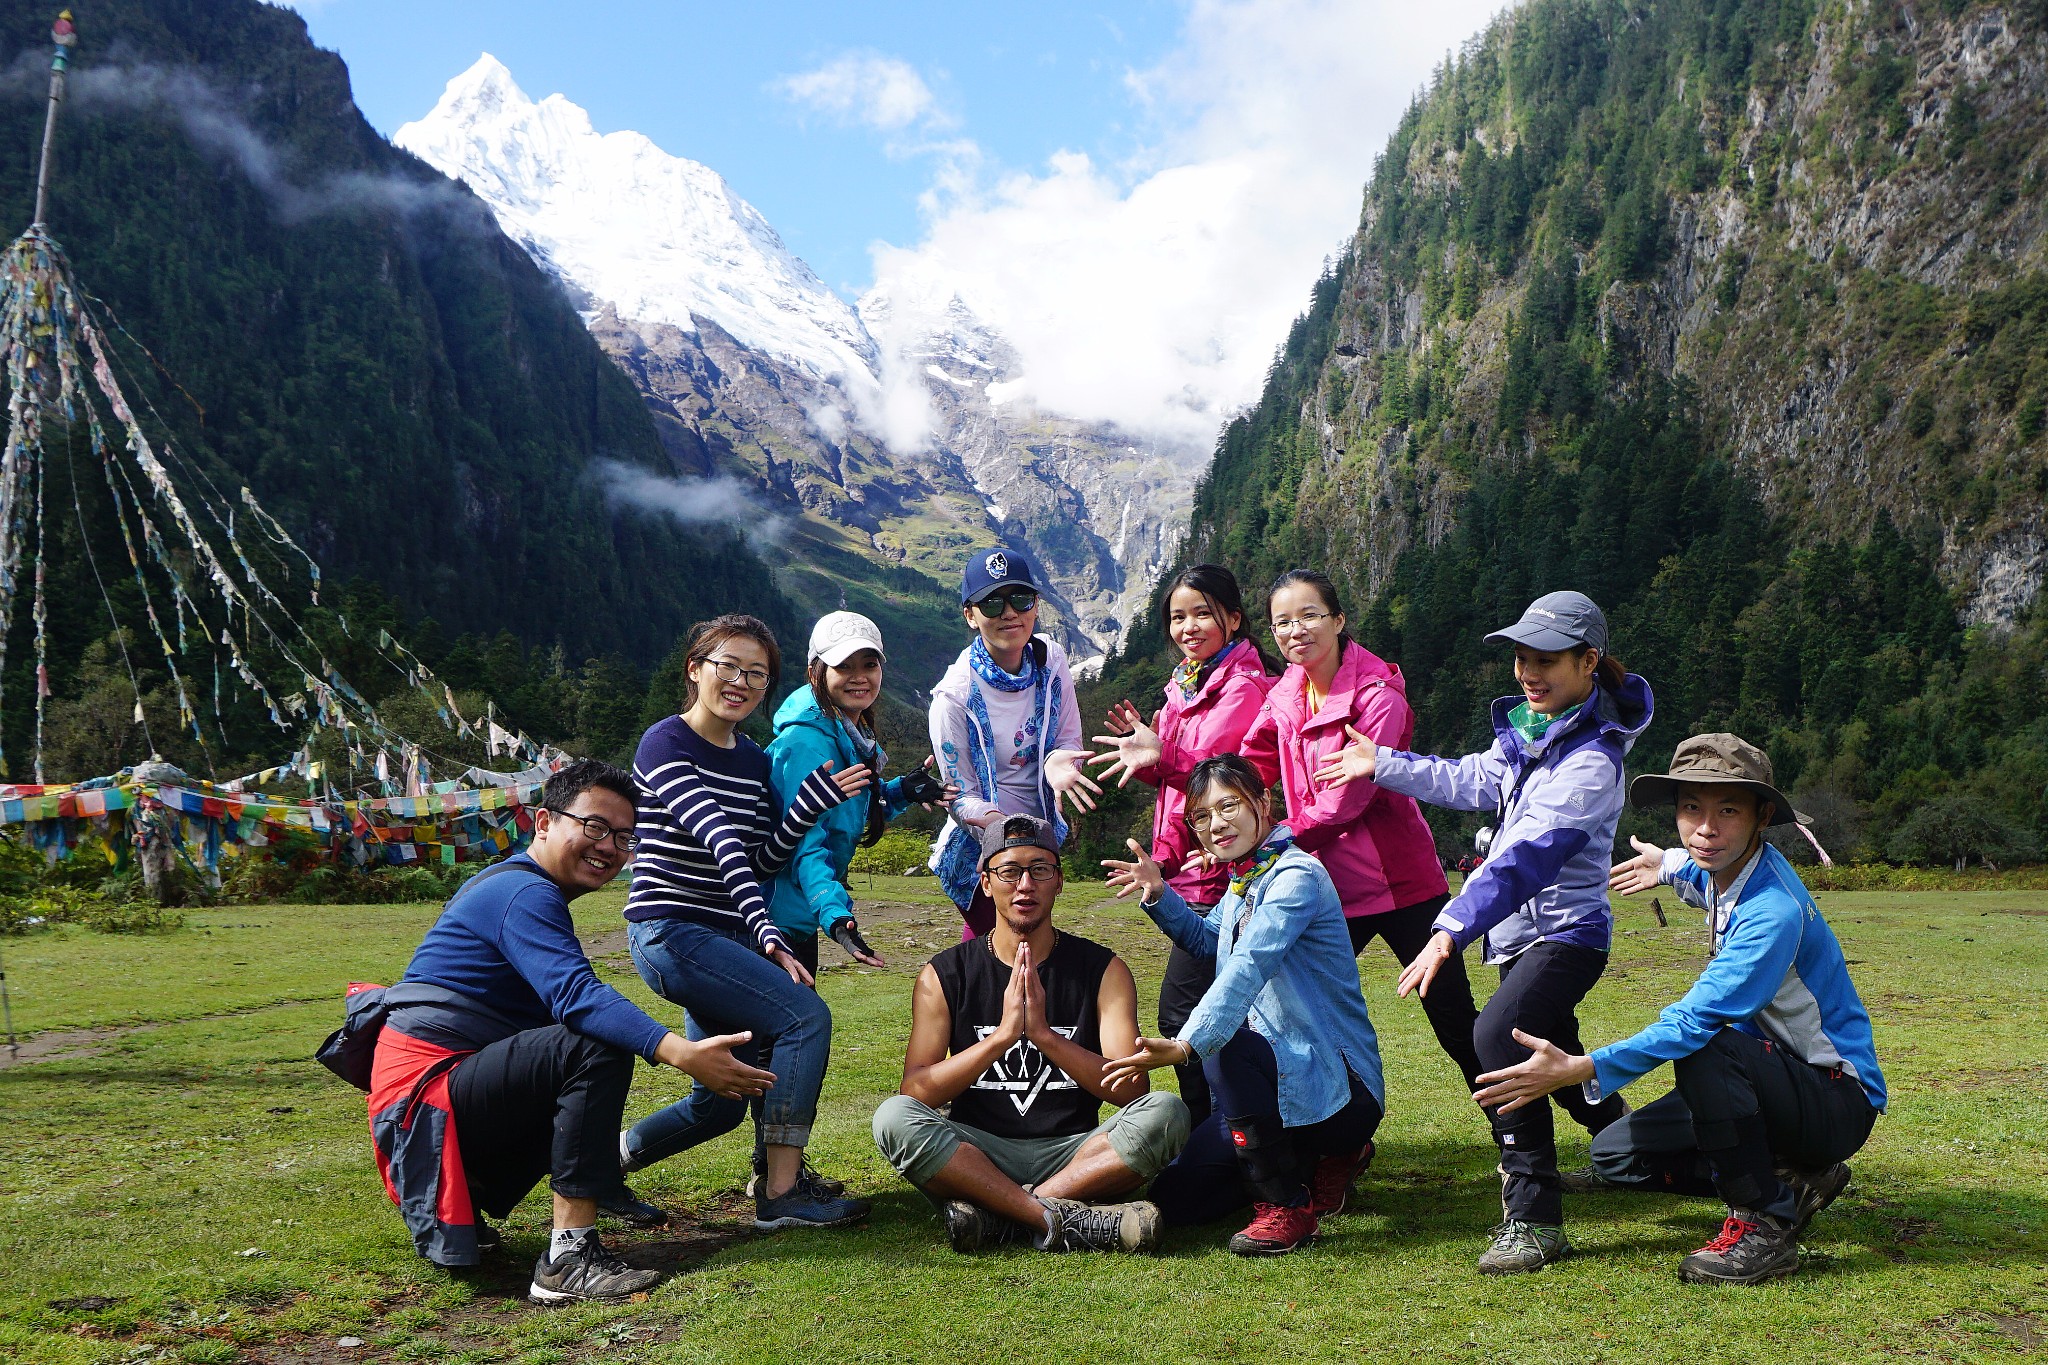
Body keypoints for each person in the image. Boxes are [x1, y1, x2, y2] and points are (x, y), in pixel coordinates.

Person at [1314, 589, 1654, 1273]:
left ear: (1589, 661)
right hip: (1520, 936)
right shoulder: (1531, 732)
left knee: (1497, 1036)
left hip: (1568, 935)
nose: (1530, 671)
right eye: (1523, 657)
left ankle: (1533, 1216)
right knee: (1552, 1049)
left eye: (1548, 659)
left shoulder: (1591, 761)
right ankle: (1635, 1147)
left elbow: (1523, 861)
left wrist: (1447, 931)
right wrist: (1380, 762)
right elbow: (1471, 779)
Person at [1475, 734, 1884, 1285]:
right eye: (1692, 808)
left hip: (1832, 1095)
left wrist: (1583, 1067)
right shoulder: (1725, 870)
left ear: (1762, 816)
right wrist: (1666, 864)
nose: (1707, 829)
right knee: (1615, 1156)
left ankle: (1764, 1220)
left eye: (1728, 811)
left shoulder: (1772, 913)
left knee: (1707, 1044)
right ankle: (1796, 1180)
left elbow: (1695, 1021)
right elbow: (1700, 875)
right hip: (1766, 1078)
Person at [368, 759, 776, 1303]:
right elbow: (578, 998)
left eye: (625, 837)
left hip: (432, 1110)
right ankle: (568, 1258)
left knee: (580, 1044)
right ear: (543, 822)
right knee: (592, 1045)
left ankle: (581, 1191)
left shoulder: (525, 889)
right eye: (596, 827)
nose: (610, 847)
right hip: (426, 1106)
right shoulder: (523, 893)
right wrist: (681, 1052)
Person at [620, 613, 874, 1231]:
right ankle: (781, 1195)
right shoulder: (666, 743)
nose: (741, 682)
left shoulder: (754, 761)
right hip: (672, 932)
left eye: (756, 674)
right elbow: (720, 844)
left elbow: (763, 857)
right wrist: (768, 936)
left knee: (721, 1101)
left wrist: (808, 806)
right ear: (694, 670)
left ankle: (598, 1165)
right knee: (804, 1016)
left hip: (720, 936)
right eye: (727, 667)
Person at [1103, 755, 1387, 1256]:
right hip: (1274, 1088)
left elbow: (1248, 964)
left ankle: (1288, 1202)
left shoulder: (1296, 877)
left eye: (1228, 805)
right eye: (1201, 816)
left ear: (1264, 802)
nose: (1216, 824)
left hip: (1335, 1086)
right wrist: (1159, 892)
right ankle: (1314, 1163)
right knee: (1179, 1199)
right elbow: (1212, 940)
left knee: (1225, 1048)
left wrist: (1188, 1042)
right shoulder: (1246, 880)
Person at [872, 814, 1190, 1253]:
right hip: (979, 1155)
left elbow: (1132, 1090)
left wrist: (1044, 1036)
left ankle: (1003, 1216)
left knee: (1166, 1112)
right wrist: (1002, 1037)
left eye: (1040, 870)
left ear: (1058, 882)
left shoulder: (1104, 970)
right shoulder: (944, 974)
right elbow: (917, 1090)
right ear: (985, 883)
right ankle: (1059, 1217)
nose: (1025, 885)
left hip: (1077, 1153)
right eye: (1009, 871)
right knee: (894, 1117)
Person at [1237, 569, 1482, 1092]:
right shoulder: (1288, 689)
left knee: (1456, 1023)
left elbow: (1346, 803)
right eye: (1282, 622)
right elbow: (1252, 760)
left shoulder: (1378, 696)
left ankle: (1527, 1140)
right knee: (1299, 1016)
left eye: (1309, 616)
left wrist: (1269, 844)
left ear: (1339, 620)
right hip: (1324, 887)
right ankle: (1332, 1144)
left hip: (1401, 888)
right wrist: (1230, 811)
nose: (1295, 631)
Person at [1086, 564, 1277, 1123]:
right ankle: (1233, 1126)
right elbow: (1179, 793)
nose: (1188, 626)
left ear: (1234, 619)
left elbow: (1222, 779)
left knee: (1186, 1011)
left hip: (1227, 873)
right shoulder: (1184, 688)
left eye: (1202, 613)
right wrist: (1162, 859)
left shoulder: (1243, 689)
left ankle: (1219, 1127)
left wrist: (1161, 758)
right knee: (1214, 1009)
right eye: (1176, 616)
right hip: (1195, 871)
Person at [766, 610, 959, 974]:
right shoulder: (807, 745)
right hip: (773, 917)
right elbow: (805, 841)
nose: (859, 678)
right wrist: (835, 915)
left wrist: (901, 791)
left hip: (796, 913)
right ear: (816, 672)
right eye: (844, 666)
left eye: (869, 665)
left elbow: (844, 812)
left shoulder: (846, 735)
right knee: (796, 1025)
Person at [927, 548, 1097, 938]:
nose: (1009, 613)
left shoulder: (1052, 662)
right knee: (998, 960)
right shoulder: (953, 698)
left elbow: (1070, 738)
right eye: (992, 602)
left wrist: (1061, 764)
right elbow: (958, 796)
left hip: (1041, 845)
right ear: (970, 615)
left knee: (1031, 958)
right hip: (979, 856)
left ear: (1036, 606)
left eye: (1021, 599)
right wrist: (1009, 834)